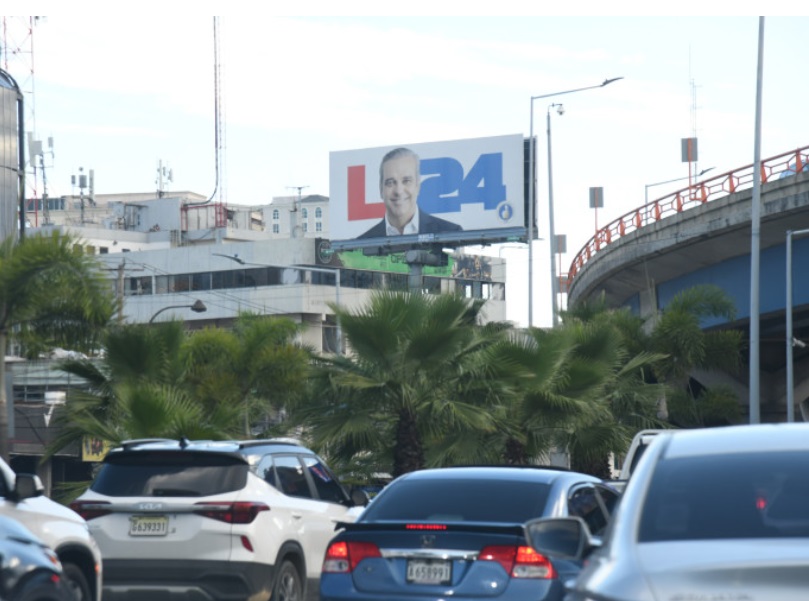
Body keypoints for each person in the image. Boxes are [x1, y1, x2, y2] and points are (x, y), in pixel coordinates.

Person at [358, 147, 463, 239]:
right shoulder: (360, 247)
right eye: (390, 182)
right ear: (381, 189)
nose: (398, 191)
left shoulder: (451, 234)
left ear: (418, 185)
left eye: (406, 181)